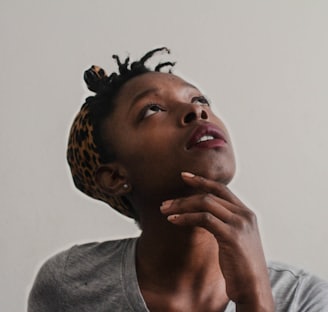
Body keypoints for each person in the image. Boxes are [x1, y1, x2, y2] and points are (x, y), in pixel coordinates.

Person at [28, 47, 328, 311]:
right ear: (116, 176)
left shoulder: (305, 299)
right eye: (153, 109)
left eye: (200, 99)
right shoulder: (70, 286)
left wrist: (255, 299)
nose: (196, 111)